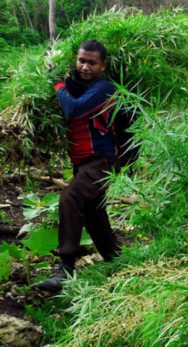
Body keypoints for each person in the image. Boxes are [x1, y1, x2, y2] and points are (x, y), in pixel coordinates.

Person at [36, 39, 123, 293]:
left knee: (70, 198)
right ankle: (118, 261)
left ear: (103, 66)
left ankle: (64, 268)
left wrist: (57, 83)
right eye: (81, 60)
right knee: (94, 214)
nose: (85, 67)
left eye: (92, 63)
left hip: (103, 161)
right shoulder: (78, 85)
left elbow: (73, 110)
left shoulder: (105, 87)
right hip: (83, 163)